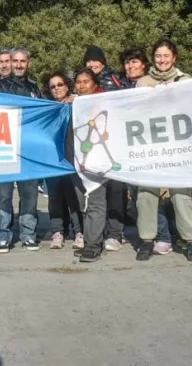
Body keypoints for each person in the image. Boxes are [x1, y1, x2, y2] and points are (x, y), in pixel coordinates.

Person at [128, 41, 192, 262]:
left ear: (174, 57)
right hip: (151, 146)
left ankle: (190, 241)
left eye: (166, 56)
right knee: (146, 194)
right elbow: (135, 112)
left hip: (178, 146)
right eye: (158, 56)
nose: (162, 60)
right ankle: (147, 240)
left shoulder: (186, 80)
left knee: (181, 194)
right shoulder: (142, 82)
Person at [0, 48, 42, 251]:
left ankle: (28, 234)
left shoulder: (34, 88)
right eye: (15, 61)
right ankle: (3, 235)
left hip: (28, 150)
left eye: (23, 61)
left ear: (28, 64)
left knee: (29, 194)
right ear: (10, 63)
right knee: (3, 195)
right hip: (5, 149)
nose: (19, 65)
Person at [82, 46, 127, 252]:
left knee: (116, 190)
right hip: (93, 145)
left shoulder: (116, 79)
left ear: (103, 62)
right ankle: (92, 232)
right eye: (89, 61)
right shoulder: (83, 82)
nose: (92, 64)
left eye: (96, 61)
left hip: (114, 142)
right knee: (95, 192)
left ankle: (115, 233)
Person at [71, 69, 108, 263]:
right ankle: (92, 240)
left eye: (86, 81)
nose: (82, 85)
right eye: (79, 82)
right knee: (83, 203)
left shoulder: (104, 100)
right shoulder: (75, 103)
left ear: (94, 83)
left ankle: (93, 245)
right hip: (79, 161)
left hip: (98, 161)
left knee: (95, 201)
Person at [45, 72, 83, 249]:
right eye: (53, 87)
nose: (57, 89)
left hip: (71, 158)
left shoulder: (77, 104)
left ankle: (79, 232)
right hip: (52, 159)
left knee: (73, 196)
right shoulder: (47, 109)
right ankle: (58, 231)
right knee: (55, 197)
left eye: (60, 85)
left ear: (67, 86)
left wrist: (77, 99)